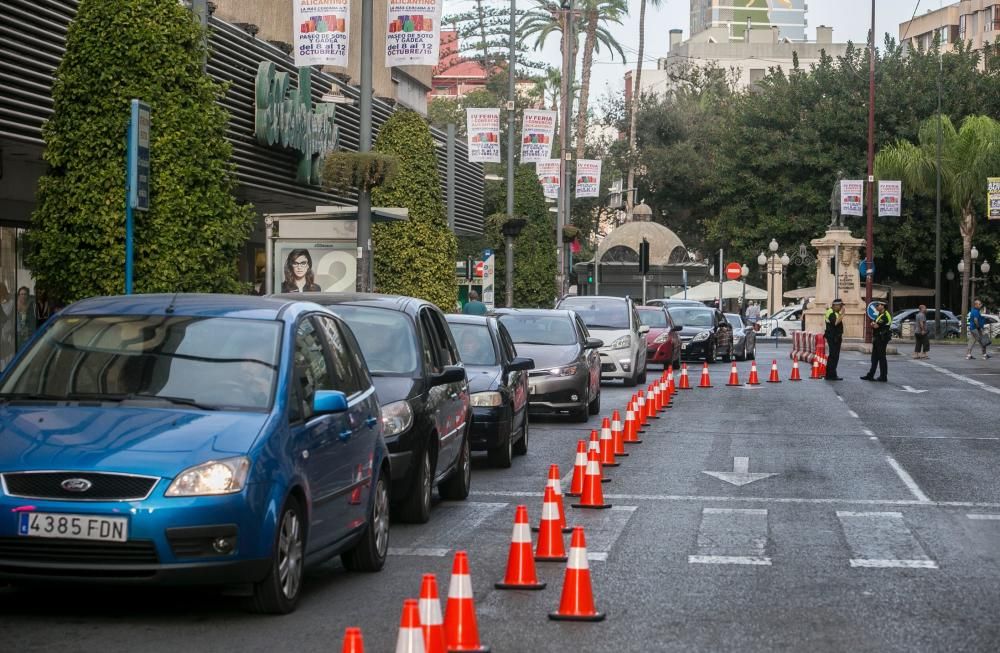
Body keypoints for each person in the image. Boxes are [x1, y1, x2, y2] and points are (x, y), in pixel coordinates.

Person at [861, 300, 892, 382]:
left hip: (882, 339)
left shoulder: (885, 315)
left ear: (883, 306)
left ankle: (883, 376)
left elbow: (875, 325)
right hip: (877, 338)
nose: (876, 307)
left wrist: (874, 324)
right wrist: (873, 324)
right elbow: (873, 323)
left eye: (878, 305)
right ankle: (870, 375)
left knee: (881, 358)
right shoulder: (880, 314)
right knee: (874, 358)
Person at [823, 298, 844, 380]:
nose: (841, 307)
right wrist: (842, 314)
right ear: (835, 305)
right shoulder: (831, 313)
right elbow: (835, 323)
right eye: (840, 305)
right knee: (833, 356)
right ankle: (831, 375)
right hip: (833, 337)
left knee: (834, 356)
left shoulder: (834, 312)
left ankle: (831, 374)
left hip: (835, 337)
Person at [14, 286, 36, 352]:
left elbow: (32, 321)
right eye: (21, 294)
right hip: (17, 334)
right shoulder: (14, 305)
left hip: (28, 334)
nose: (23, 296)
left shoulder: (31, 305)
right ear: (19, 295)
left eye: (25, 294)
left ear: (27, 295)